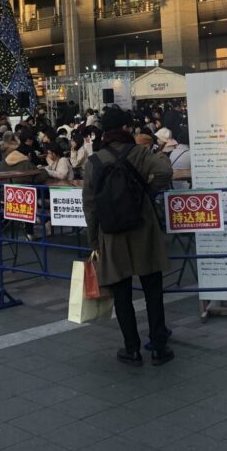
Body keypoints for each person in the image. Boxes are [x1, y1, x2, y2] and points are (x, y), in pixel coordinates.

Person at [83, 107, 174, 366]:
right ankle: (159, 347)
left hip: (111, 234)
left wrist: (93, 241)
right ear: (125, 128)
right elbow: (165, 172)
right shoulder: (139, 152)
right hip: (143, 228)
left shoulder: (95, 161)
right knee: (153, 289)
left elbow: (89, 206)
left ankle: (131, 349)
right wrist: (147, 191)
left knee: (121, 294)